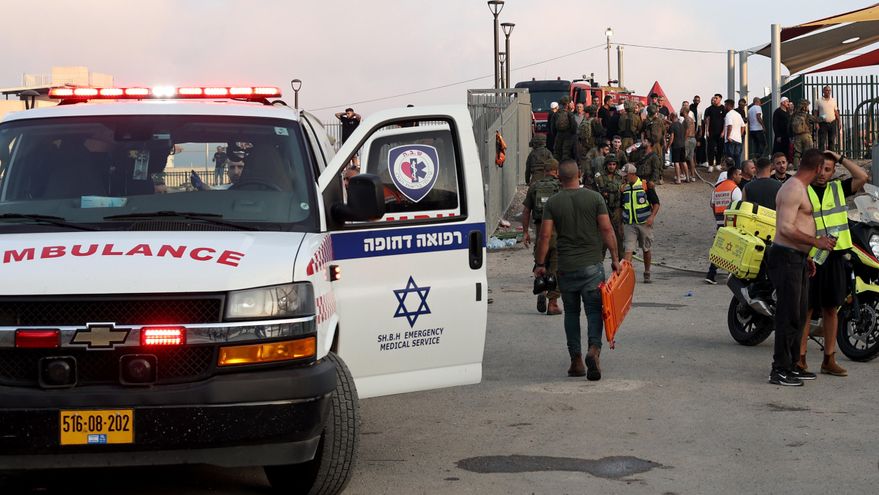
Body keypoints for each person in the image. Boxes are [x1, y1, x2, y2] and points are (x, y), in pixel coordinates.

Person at [533, 160, 620, 380]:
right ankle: (594, 349)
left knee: (571, 313)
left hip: (566, 268)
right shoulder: (595, 198)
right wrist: (615, 259)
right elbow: (607, 229)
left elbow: (544, 236)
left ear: (559, 178)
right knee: (593, 311)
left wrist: (540, 264)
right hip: (592, 267)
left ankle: (576, 361)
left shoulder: (553, 202)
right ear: (579, 175)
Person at [767, 148, 837, 386]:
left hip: (797, 257)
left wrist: (807, 255)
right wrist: (816, 242)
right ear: (817, 168)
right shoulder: (793, 188)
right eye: (823, 168)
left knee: (798, 314)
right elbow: (785, 228)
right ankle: (779, 369)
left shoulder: (799, 188)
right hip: (785, 257)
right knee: (787, 315)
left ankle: (792, 365)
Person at [798, 150, 868, 377]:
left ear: (832, 172)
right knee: (806, 308)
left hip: (836, 256)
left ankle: (829, 359)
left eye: (828, 170)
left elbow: (862, 177)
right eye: (820, 168)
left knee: (831, 308)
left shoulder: (838, 189)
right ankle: (800, 358)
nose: (823, 174)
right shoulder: (802, 189)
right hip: (810, 256)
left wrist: (840, 158)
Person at [523, 159, 563, 316]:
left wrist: (525, 232)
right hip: (557, 232)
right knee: (556, 268)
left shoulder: (534, 187)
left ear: (545, 171)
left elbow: (526, 211)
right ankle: (552, 304)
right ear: (556, 171)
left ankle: (541, 291)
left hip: (540, 233)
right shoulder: (560, 187)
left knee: (541, 264)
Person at [621, 163, 660, 283]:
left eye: (625, 175)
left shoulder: (645, 185)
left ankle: (647, 272)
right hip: (629, 224)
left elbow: (656, 203)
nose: (623, 177)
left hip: (644, 223)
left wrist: (652, 217)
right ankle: (626, 276)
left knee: (646, 248)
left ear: (632, 174)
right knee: (628, 249)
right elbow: (621, 206)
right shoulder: (623, 188)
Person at [705, 167, 743, 285]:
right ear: (733, 175)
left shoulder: (717, 189)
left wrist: (718, 219)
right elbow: (739, 208)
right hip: (731, 224)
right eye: (739, 174)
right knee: (733, 250)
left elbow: (713, 205)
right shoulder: (735, 189)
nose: (741, 176)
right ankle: (730, 275)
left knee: (720, 248)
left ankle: (711, 274)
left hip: (720, 223)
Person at [595, 154, 625, 259]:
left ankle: (621, 263)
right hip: (604, 210)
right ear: (606, 165)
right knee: (602, 238)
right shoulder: (599, 177)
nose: (611, 166)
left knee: (619, 237)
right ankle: (599, 262)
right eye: (609, 164)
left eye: (614, 164)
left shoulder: (620, 176)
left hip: (617, 210)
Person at [703, 94, 727, 172]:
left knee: (720, 148)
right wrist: (707, 131)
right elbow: (707, 120)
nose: (715, 99)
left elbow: (725, 121)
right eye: (714, 98)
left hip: (720, 133)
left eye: (716, 98)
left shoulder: (723, 108)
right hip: (711, 132)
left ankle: (718, 164)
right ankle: (710, 165)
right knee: (711, 149)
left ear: (720, 99)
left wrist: (723, 131)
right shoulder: (710, 109)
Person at [791, 99, 817, 169]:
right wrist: (824, 117)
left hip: (797, 136)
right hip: (806, 135)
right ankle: (807, 168)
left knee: (797, 153)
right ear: (804, 107)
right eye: (808, 106)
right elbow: (816, 119)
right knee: (808, 153)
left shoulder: (794, 115)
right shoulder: (807, 115)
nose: (808, 107)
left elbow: (789, 126)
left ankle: (795, 168)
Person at [551, 97, 576, 161]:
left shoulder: (556, 113)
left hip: (558, 135)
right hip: (568, 135)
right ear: (567, 104)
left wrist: (555, 135)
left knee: (557, 152)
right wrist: (573, 133)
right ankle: (565, 167)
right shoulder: (569, 113)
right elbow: (573, 125)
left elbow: (552, 127)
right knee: (566, 152)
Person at [723, 99, 746, 169]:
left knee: (730, 159)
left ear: (728, 105)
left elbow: (730, 125)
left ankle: (731, 173)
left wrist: (728, 136)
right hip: (738, 139)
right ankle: (738, 173)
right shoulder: (738, 114)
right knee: (737, 158)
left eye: (725, 105)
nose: (724, 106)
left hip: (731, 140)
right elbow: (743, 126)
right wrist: (740, 135)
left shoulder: (729, 114)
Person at [816, 86, 840, 152]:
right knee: (822, 141)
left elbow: (836, 111)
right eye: (827, 90)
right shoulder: (819, 101)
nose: (828, 92)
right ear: (823, 91)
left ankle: (830, 156)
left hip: (832, 122)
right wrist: (816, 123)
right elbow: (816, 112)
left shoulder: (833, 100)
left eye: (829, 90)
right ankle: (821, 156)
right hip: (823, 123)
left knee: (832, 141)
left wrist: (839, 122)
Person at [668, 111, 687, 184]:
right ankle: (687, 177)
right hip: (682, 145)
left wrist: (668, 146)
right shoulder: (681, 125)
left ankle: (678, 179)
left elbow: (672, 137)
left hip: (676, 146)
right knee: (683, 161)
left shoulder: (672, 126)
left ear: (672, 117)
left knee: (676, 162)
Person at [682, 104, 697, 182]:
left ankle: (685, 175)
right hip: (693, 139)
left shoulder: (687, 119)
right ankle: (693, 176)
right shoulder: (691, 119)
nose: (680, 111)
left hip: (688, 139)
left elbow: (687, 130)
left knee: (683, 157)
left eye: (681, 109)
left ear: (684, 111)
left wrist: (684, 140)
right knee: (690, 158)